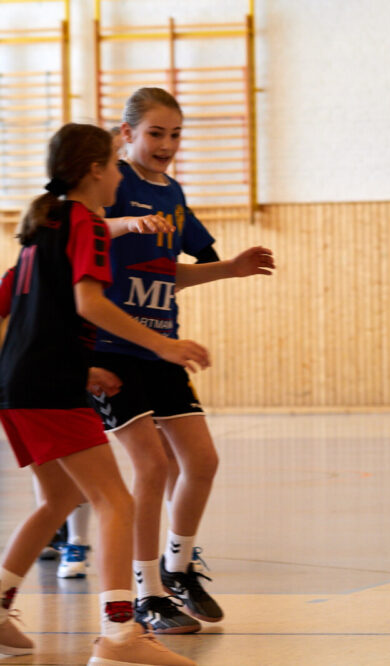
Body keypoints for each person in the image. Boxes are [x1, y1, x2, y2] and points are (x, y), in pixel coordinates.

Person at [0, 122, 204, 664]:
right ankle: (120, 635)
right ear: (95, 169)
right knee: (115, 499)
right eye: (114, 164)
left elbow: (14, 308)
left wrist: (71, 363)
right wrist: (164, 345)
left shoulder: (42, 227)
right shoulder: (84, 223)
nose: (120, 174)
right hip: (47, 387)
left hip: (19, 385)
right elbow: (89, 304)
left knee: (59, 499)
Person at [88, 86, 274, 635]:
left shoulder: (173, 193)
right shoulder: (111, 185)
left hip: (162, 344)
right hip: (112, 349)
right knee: (152, 466)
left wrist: (229, 268)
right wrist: (126, 225)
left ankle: (177, 567)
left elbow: (169, 272)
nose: (167, 144)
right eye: (155, 133)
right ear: (128, 135)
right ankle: (147, 594)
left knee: (202, 461)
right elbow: (79, 234)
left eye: (175, 134)